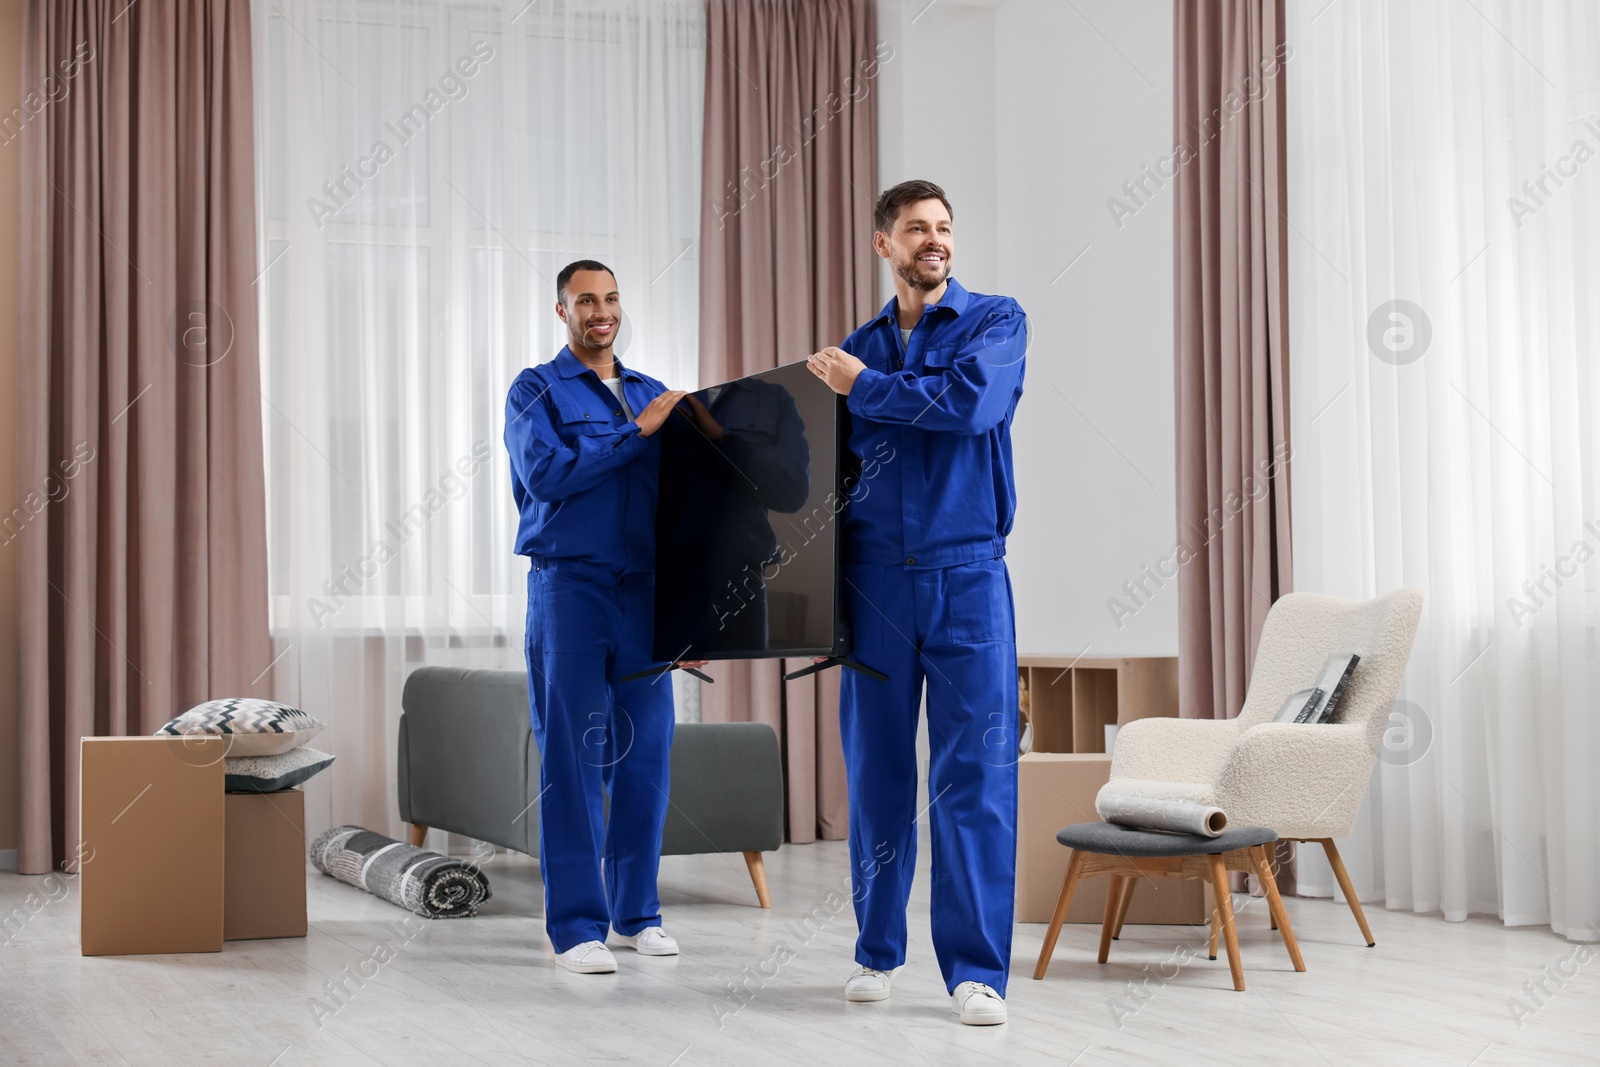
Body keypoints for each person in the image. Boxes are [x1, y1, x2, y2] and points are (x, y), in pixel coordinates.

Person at [806, 180, 1027, 1026]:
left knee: (975, 774)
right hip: (872, 582)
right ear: (882, 245)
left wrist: (864, 388)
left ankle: (976, 973)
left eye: (943, 228)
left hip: (968, 572)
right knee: (879, 775)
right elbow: (819, 480)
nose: (933, 240)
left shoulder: (995, 323)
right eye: (914, 229)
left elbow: (973, 406)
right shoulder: (851, 349)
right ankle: (875, 950)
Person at [504, 259, 695, 974]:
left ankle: (636, 914)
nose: (601, 311)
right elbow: (546, 475)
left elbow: (685, 509)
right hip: (570, 591)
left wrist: (694, 609)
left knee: (646, 758)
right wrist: (633, 434)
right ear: (563, 312)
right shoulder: (536, 390)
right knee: (573, 759)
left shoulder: (654, 393)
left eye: (611, 297)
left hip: (646, 596)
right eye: (586, 300)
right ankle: (578, 926)